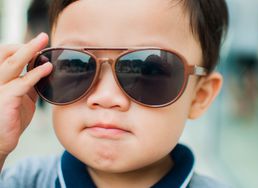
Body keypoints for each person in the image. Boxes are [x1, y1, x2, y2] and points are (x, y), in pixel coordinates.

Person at [0, 0, 228, 187]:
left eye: (147, 70)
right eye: (74, 64)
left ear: (200, 96)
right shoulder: (21, 180)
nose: (106, 97)